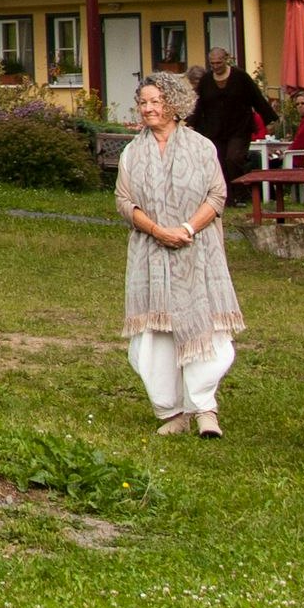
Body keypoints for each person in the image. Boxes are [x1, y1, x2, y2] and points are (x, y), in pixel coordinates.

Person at [117, 71, 244, 439]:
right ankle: (171, 411)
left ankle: (204, 408)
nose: (148, 109)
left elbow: (216, 197)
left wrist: (187, 229)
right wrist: (158, 231)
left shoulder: (202, 147)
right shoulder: (132, 152)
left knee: (206, 329)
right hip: (150, 251)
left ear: (174, 105)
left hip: (197, 249)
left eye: (155, 101)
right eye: (143, 102)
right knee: (155, 337)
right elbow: (125, 202)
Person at [188, 48, 272, 191]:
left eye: (219, 63)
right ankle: (225, 196)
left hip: (239, 128)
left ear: (226, 59)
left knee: (233, 158)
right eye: (212, 63)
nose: (215, 66)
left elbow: (256, 97)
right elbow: (199, 104)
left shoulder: (240, 77)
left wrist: (269, 119)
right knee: (218, 161)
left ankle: (240, 193)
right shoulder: (206, 81)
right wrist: (191, 124)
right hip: (215, 129)